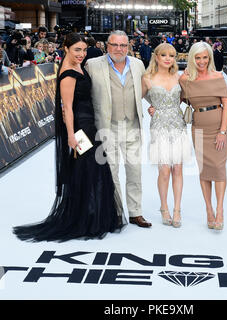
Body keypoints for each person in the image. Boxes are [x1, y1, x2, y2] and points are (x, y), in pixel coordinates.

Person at [13, 33, 126, 242]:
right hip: (81, 129)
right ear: (65, 48)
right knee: (88, 169)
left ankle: (92, 216)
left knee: (93, 170)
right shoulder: (68, 75)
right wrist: (72, 136)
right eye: (77, 50)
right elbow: (67, 109)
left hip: (89, 125)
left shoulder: (78, 68)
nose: (82, 54)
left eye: (84, 50)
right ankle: (85, 219)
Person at [85, 30, 152, 228]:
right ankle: (115, 212)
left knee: (134, 171)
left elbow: (145, 89)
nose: (119, 49)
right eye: (114, 45)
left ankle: (135, 212)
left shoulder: (138, 64)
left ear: (128, 46)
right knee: (111, 173)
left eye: (123, 45)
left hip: (132, 125)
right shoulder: (93, 65)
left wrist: (158, 103)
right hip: (106, 127)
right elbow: (83, 93)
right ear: (107, 45)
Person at [179, 42, 227, 231]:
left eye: (205, 57)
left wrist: (222, 132)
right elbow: (176, 99)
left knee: (218, 168)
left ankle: (219, 210)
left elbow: (226, 104)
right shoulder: (185, 80)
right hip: (198, 128)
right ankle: (208, 210)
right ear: (192, 58)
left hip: (219, 127)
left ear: (210, 58)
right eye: (198, 57)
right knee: (205, 170)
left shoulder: (218, 76)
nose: (201, 61)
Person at [143, 43, 192, 228]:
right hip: (159, 126)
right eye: (164, 55)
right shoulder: (147, 78)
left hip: (178, 124)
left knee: (177, 169)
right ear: (156, 57)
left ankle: (177, 209)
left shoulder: (178, 77)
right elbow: (137, 97)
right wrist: (152, 105)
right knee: (164, 170)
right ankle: (164, 208)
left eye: (171, 55)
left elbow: (183, 98)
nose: (168, 58)